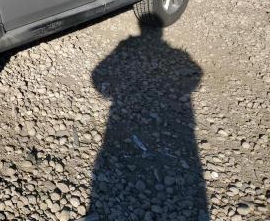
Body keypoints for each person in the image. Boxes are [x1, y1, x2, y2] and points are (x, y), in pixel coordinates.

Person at [89, 21, 208, 220]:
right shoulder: (179, 55)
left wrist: (111, 93)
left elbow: (97, 76)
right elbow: (196, 73)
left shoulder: (130, 47)